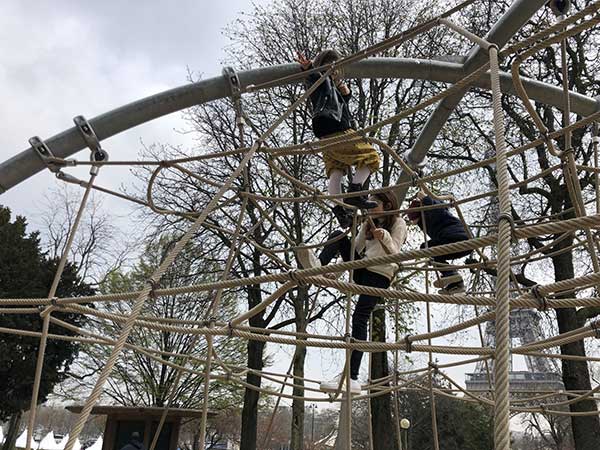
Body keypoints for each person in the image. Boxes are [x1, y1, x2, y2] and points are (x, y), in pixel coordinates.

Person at [296, 190, 406, 393]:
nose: (370, 207)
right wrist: (335, 275)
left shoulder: (398, 223)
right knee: (339, 236)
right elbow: (353, 250)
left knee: (359, 318)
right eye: (369, 203)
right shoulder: (367, 224)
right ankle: (319, 266)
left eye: (375, 203)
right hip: (362, 270)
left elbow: (396, 254)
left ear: (387, 206)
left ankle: (352, 376)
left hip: (380, 274)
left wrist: (385, 238)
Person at [297, 49, 381, 228]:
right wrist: (309, 68)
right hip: (336, 128)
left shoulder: (328, 88)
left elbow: (336, 105)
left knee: (336, 170)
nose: (335, 72)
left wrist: (345, 95)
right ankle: (356, 191)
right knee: (371, 156)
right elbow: (315, 79)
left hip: (324, 133)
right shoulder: (321, 79)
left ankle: (339, 211)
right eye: (333, 68)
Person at [406, 191, 471, 294]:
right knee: (435, 253)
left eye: (415, 220)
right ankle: (456, 284)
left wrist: (425, 199)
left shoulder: (431, 212)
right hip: (461, 243)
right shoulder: (425, 223)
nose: (414, 223)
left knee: (426, 248)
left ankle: (450, 273)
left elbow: (438, 207)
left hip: (457, 237)